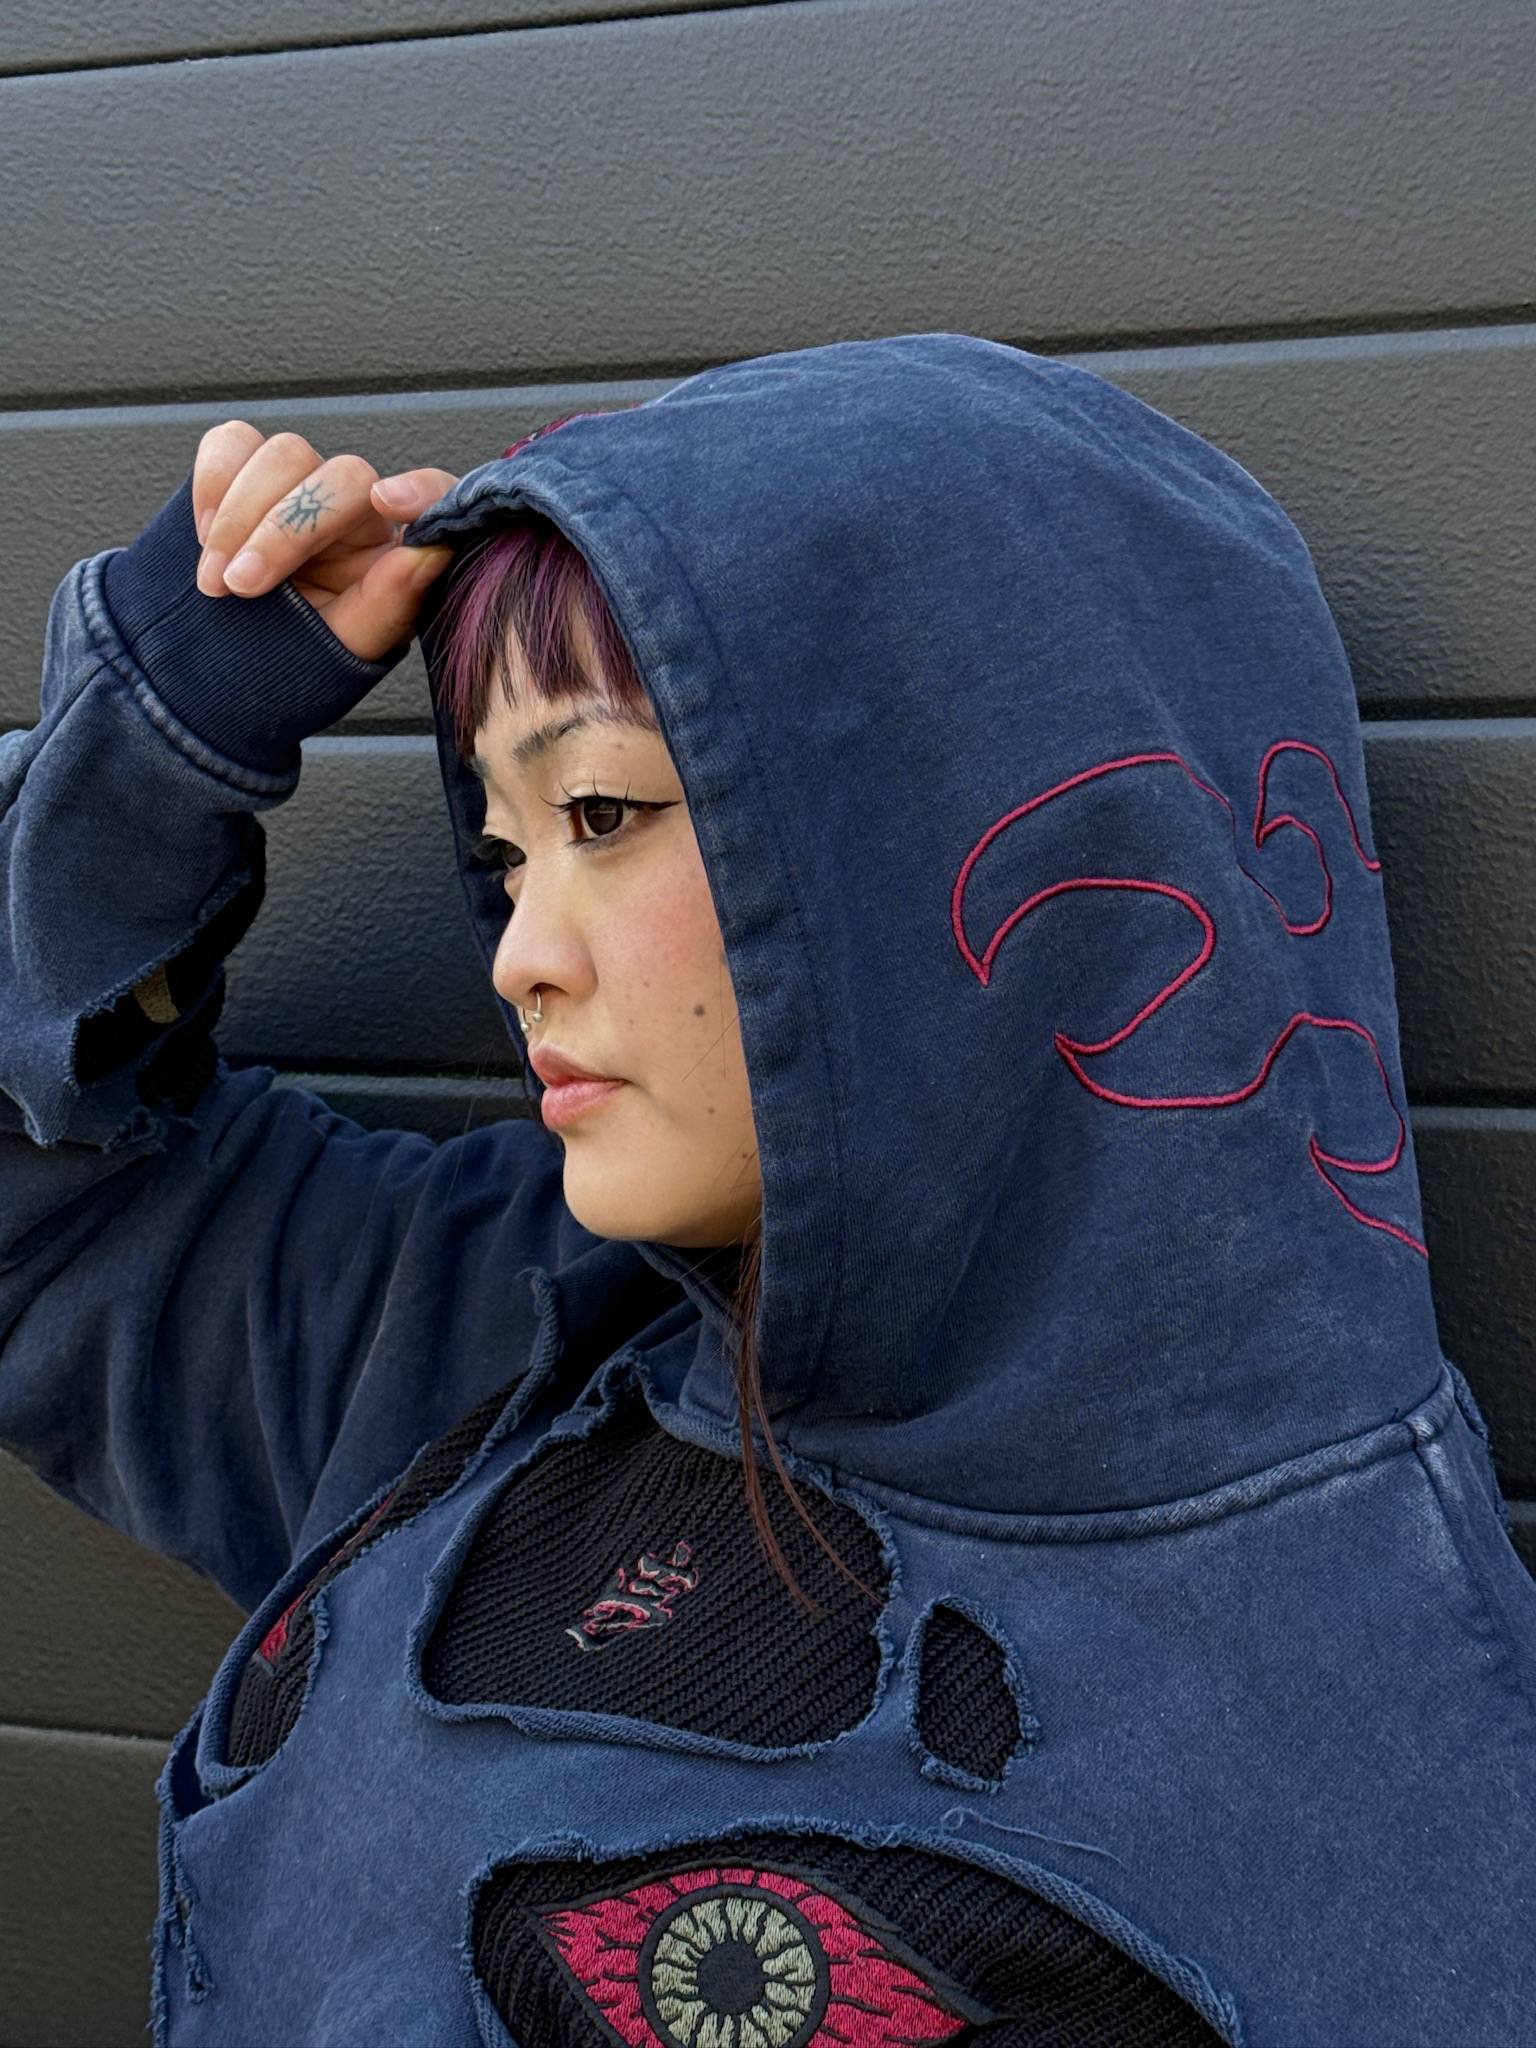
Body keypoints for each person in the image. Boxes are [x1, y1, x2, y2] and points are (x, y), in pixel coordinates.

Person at [2, 333, 1532, 2047]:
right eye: (503, 848)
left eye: (601, 811)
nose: (517, 953)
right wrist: (163, 734)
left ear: (970, 823)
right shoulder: (525, 1337)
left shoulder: (1344, 1751)